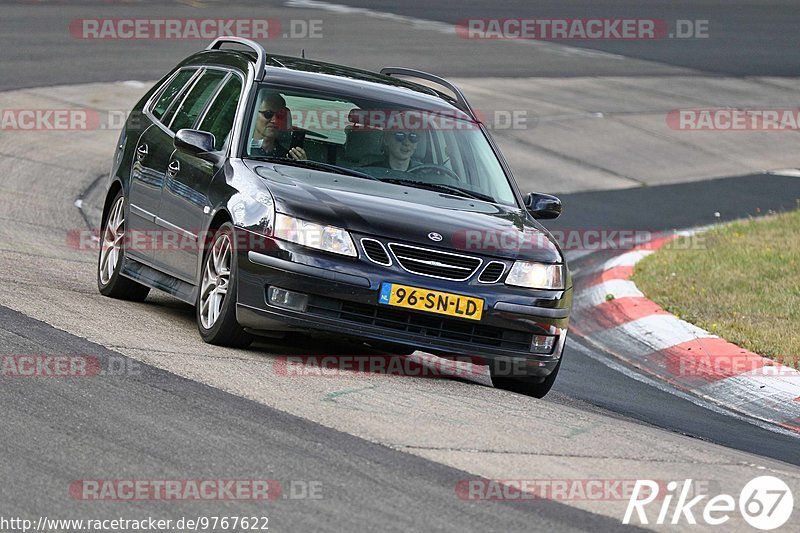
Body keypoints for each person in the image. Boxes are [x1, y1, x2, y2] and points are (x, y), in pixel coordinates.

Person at [249, 92, 306, 160]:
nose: (275, 120)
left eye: (280, 115)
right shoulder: (239, 147)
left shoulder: (287, 157)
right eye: (268, 114)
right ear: (254, 114)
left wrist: (302, 165)